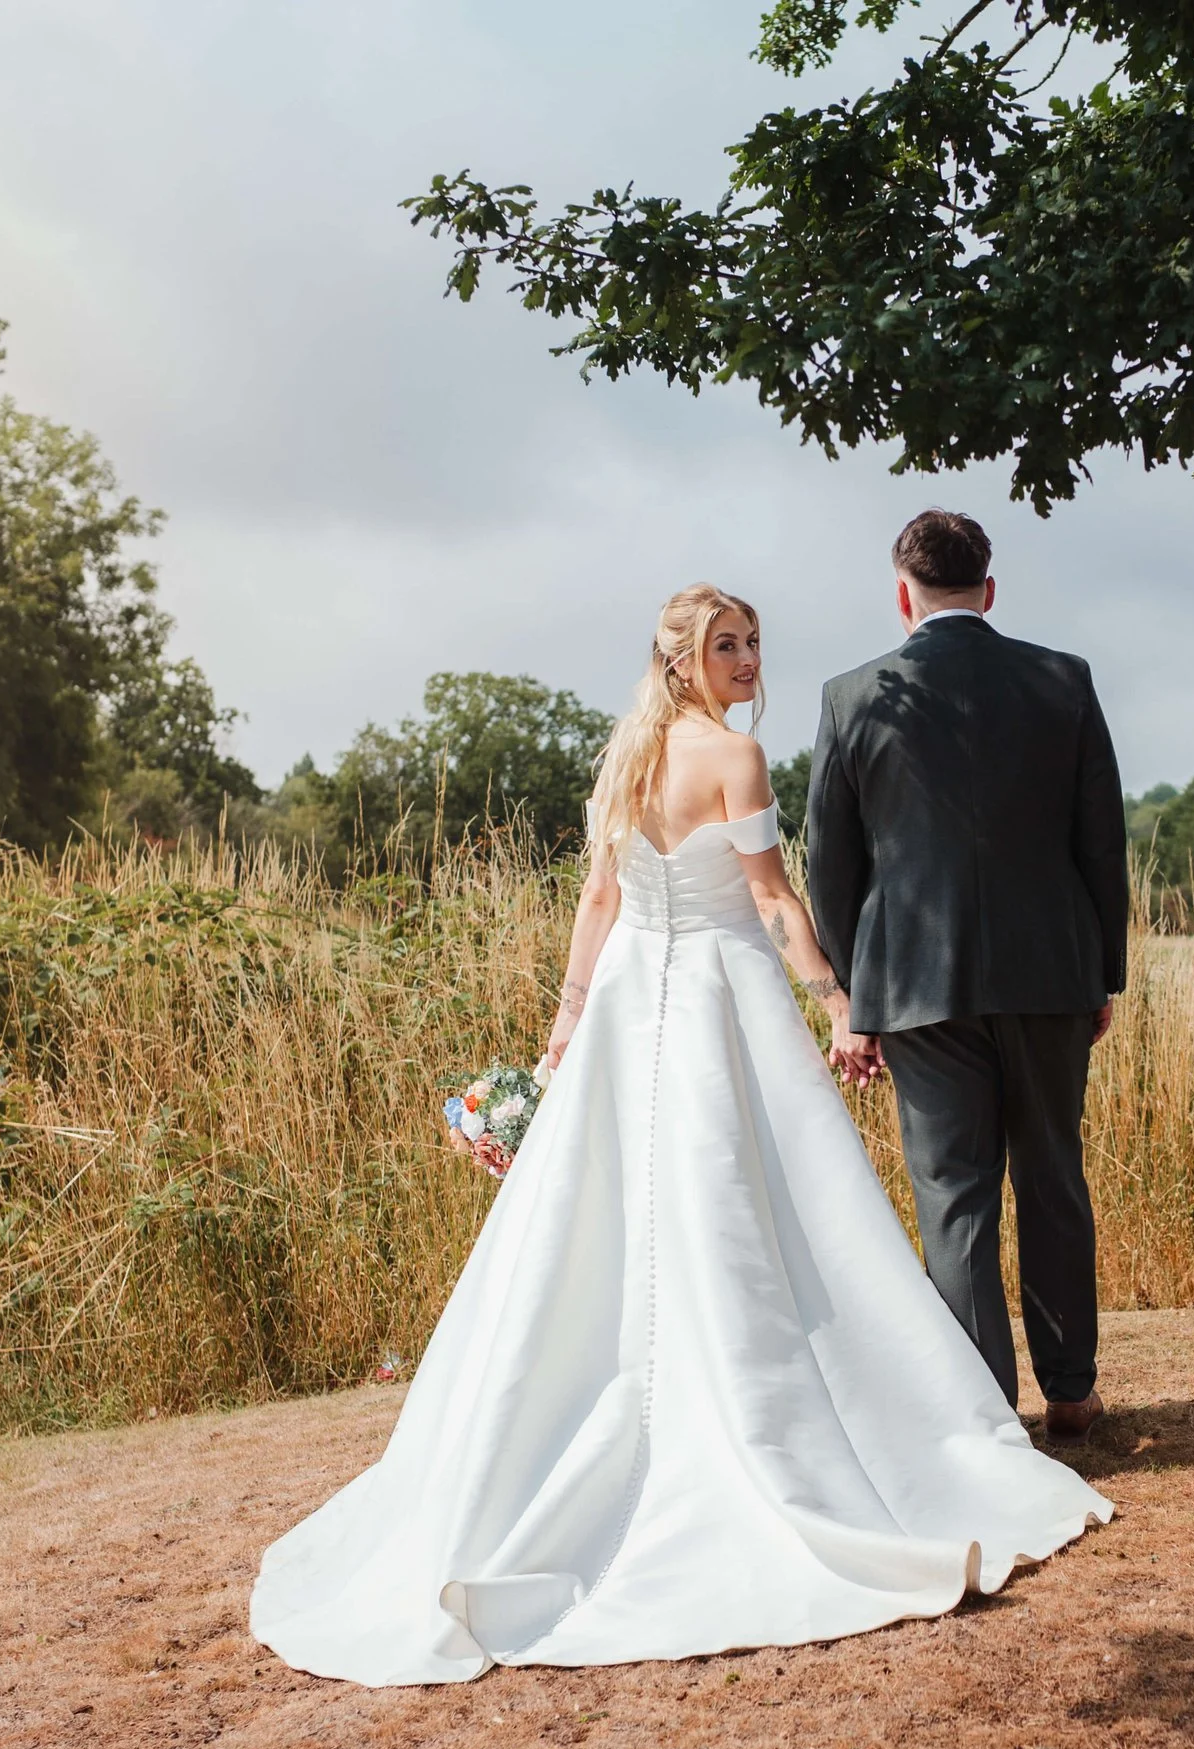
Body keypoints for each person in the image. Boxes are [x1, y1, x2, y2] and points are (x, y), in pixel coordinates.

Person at [251, 584, 1109, 1686]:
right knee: (747, 1205)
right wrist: (834, 1000)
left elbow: (599, 904)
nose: (749, 660)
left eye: (752, 642)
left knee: (620, 1212)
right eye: (727, 646)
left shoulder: (626, 758)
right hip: (712, 999)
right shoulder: (734, 760)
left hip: (624, 1005)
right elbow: (770, 899)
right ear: (684, 659)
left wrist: (562, 1035)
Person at [805, 511, 1129, 1442]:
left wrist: (852, 994)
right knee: (1054, 1177)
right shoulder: (1062, 681)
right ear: (989, 589)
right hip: (1049, 972)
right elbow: (1099, 840)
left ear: (903, 595)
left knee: (954, 1196)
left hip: (912, 984)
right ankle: (1072, 1389)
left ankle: (987, 1411)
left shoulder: (851, 696)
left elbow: (835, 861)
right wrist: (1101, 971)